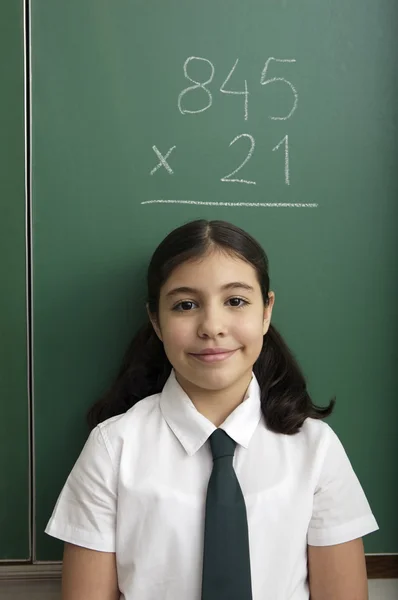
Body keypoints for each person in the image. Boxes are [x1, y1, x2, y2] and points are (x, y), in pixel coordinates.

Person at [45, 219, 378, 600]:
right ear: (156, 319)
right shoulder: (113, 448)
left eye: (236, 301)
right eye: (186, 305)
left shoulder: (315, 449)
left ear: (266, 310)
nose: (212, 326)